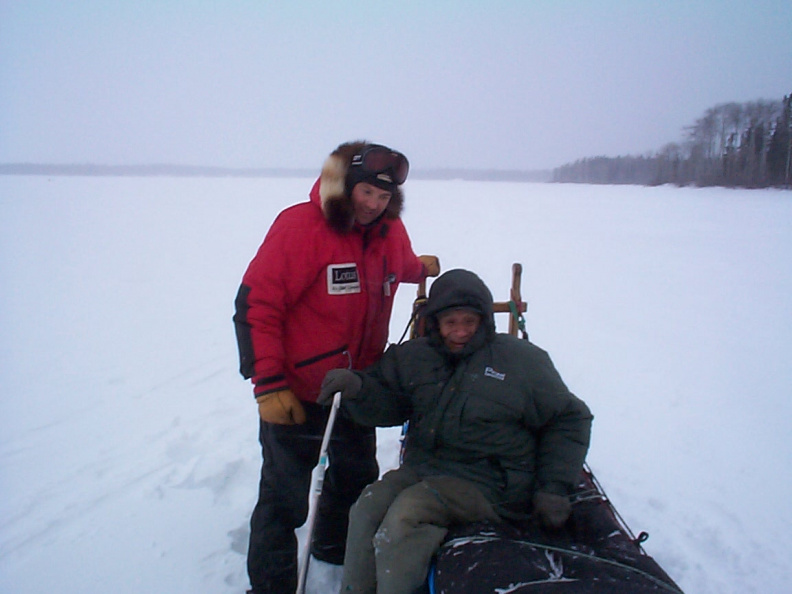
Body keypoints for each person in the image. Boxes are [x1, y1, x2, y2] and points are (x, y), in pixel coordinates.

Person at [233, 141, 440, 594]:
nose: (373, 205)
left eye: (384, 198)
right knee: (283, 500)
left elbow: (394, 264)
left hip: (358, 388)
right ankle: (270, 586)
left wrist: (416, 268)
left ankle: (331, 553)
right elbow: (256, 306)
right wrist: (268, 385)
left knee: (353, 482)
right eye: (366, 192)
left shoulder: (389, 230)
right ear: (346, 185)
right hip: (298, 394)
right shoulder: (301, 227)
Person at [319, 268, 593, 594]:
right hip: (426, 466)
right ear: (435, 322)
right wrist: (357, 389)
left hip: (491, 482)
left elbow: (569, 418)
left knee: (406, 517)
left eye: (469, 322)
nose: (460, 332)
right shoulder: (418, 357)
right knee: (367, 506)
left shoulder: (520, 362)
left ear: (483, 321)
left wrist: (554, 486)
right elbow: (387, 402)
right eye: (451, 323)